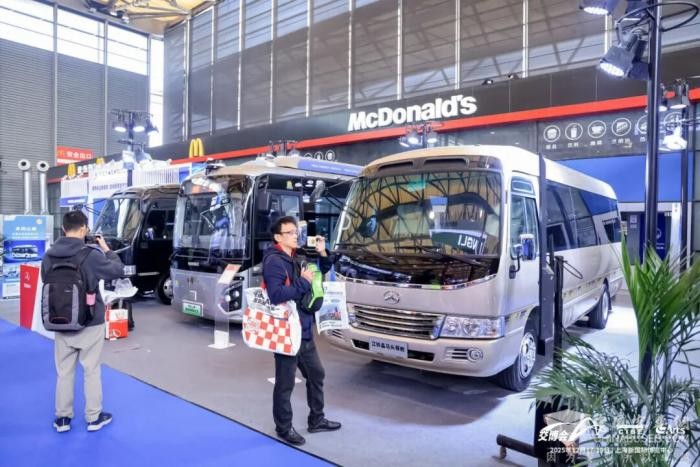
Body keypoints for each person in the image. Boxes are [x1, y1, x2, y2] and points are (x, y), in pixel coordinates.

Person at [41, 210, 126, 433]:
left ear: (63, 229)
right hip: (90, 321)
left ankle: (62, 419)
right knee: (91, 370)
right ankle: (93, 417)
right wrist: (106, 249)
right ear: (84, 229)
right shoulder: (91, 255)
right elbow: (117, 270)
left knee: (64, 372)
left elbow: (46, 280)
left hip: (60, 320)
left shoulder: (48, 256)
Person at [262, 216, 341, 446]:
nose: (295, 235)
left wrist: (322, 253)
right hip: (287, 332)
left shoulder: (297, 256)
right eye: (290, 232)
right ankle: (283, 428)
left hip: (304, 330)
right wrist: (304, 282)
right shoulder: (274, 261)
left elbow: (322, 270)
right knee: (285, 384)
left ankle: (317, 419)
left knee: (316, 374)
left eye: (296, 232)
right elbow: (276, 295)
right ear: (278, 237)